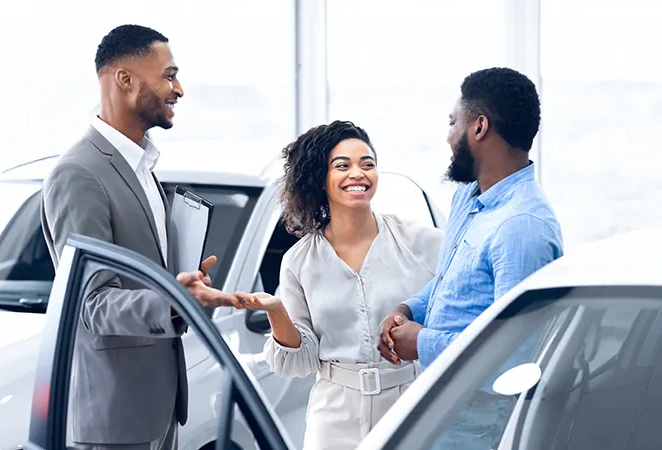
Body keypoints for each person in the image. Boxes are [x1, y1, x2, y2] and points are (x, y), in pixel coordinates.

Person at [40, 24, 240, 450]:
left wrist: (184, 285)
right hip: (115, 418)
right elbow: (91, 303)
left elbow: (142, 277)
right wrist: (174, 301)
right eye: (169, 75)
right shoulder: (79, 173)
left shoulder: (142, 166)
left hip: (157, 405)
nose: (179, 89)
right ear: (125, 79)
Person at [377, 67, 564, 449]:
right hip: (438, 407)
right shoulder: (469, 197)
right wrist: (408, 310)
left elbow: (515, 355)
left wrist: (423, 342)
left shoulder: (522, 227)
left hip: (480, 428)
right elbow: (452, 281)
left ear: (479, 127)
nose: (448, 136)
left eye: (452, 122)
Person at [236, 120, 444, 450]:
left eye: (367, 164)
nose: (358, 174)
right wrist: (276, 310)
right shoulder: (299, 261)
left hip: (410, 403)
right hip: (333, 417)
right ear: (321, 178)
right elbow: (302, 359)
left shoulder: (422, 243)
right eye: (342, 166)